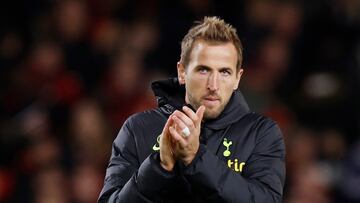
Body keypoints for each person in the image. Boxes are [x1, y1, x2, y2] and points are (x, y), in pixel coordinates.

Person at [98, 16, 286, 203]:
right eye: (203, 70)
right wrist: (159, 167)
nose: (213, 85)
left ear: (238, 78)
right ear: (182, 71)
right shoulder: (138, 129)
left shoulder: (261, 133)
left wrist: (197, 159)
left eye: (224, 72)